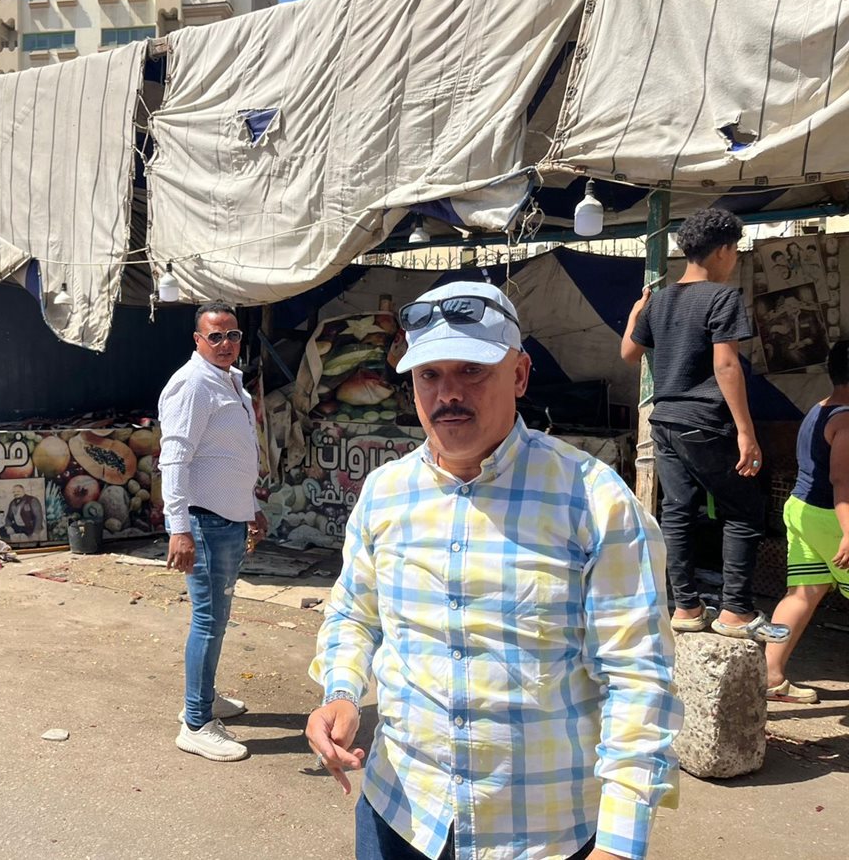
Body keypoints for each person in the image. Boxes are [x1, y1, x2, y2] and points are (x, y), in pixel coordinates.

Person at [308, 282, 682, 860]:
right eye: (429, 374)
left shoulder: (593, 501)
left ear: (520, 375)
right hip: (399, 814)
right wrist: (341, 692)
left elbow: (637, 677)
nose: (448, 393)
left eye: (472, 370)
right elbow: (355, 614)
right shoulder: (385, 492)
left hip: (541, 835)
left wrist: (619, 842)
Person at [622, 208, 789, 643]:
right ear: (723, 251)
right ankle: (735, 610)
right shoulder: (722, 297)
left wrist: (637, 312)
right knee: (745, 510)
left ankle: (686, 607)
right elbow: (726, 364)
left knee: (678, 511)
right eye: (735, 250)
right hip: (705, 421)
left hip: (665, 420)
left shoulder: (659, 301)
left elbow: (628, 353)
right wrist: (746, 432)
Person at [158, 301, 268, 762]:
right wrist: (178, 529)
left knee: (217, 619)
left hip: (228, 518)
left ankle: (203, 697)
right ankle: (196, 723)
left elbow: (229, 455)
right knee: (207, 620)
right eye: (215, 336)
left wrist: (251, 506)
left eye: (233, 335)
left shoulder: (228, 380)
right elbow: (174, 459)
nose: (226, 344)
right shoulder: (193, 384)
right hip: (203, 523)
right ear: (198, 340)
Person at [764, 340, 849, 703]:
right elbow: (841, 480)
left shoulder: (819, 408)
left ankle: (769, 675)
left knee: (803, 593)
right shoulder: (846, 419)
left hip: (801, 509)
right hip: (832, 516)